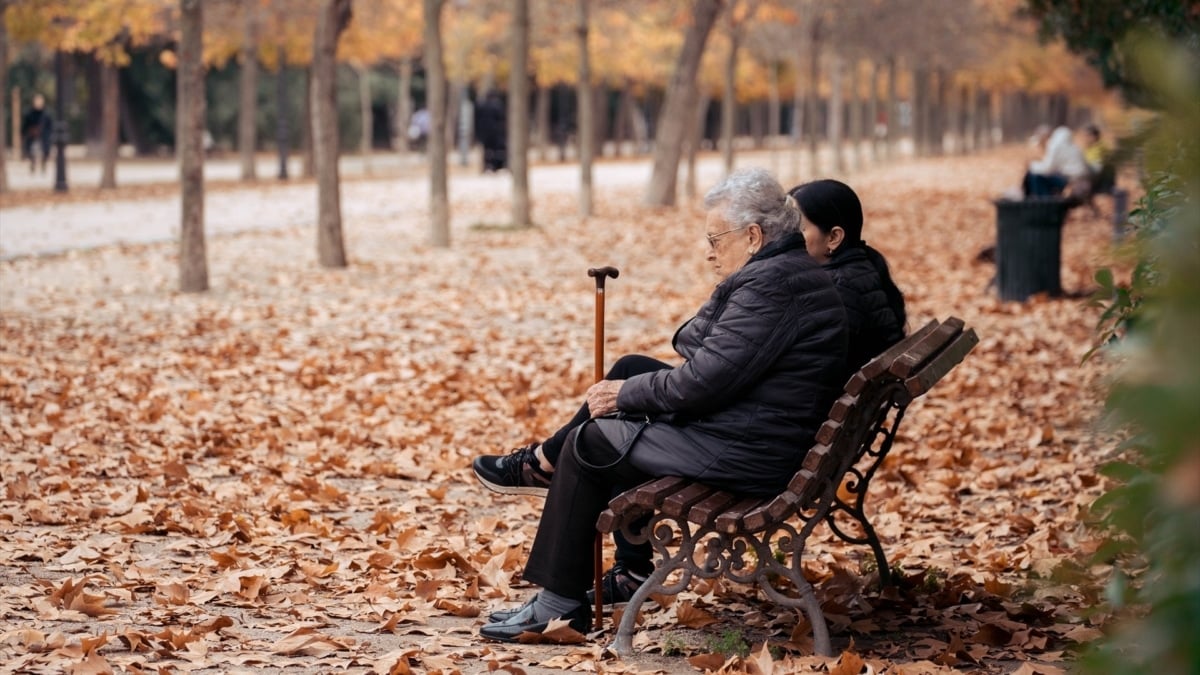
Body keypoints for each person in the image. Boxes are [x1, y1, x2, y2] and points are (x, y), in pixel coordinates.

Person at [475, 168, 849, 641]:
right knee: (632, 369)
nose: (710, 250)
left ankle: (558, 604)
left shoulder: (771, 285)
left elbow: (703, 381)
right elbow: (697, 343)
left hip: (750, 450)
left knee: (592, 442)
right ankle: (547, 471)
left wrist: (625, 397)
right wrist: (637, 385)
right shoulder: (783, 273)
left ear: (753, 236)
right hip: (760, 431)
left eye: (717, 238)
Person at [788, 179, 906, 378]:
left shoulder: (835, 290)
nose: (785, 237)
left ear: (833, 237)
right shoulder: (861, 270)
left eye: (797, 228)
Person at [1021, 124, 1089, 198]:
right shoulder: (1072, 146)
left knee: (1034, 176)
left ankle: (1044, 201)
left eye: (1040, 139)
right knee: (1036, 174)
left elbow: (1048, 169)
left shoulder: (1054, 145)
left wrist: (1031, 165)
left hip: (1071, 180)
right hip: (1078, 178)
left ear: (1045, 137)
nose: (1040, 144)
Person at [475, 91, 507, 172]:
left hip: (485, 133)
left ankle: (488, 165)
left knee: (488, 150)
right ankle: (497, 166)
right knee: (497, 150)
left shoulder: (482, 106)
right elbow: (501, 119)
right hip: (496, 133)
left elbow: (477, 120)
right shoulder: (498, 106)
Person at [21, 93, 53, 174]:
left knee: (46, 148)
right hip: (32, 134)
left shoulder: (46, 114)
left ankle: (43, 163)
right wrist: (28, 132)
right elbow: (25, 125)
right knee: (28, 148)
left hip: (44, 135)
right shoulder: (29, 113)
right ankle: (32, 162)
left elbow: (49, 126)